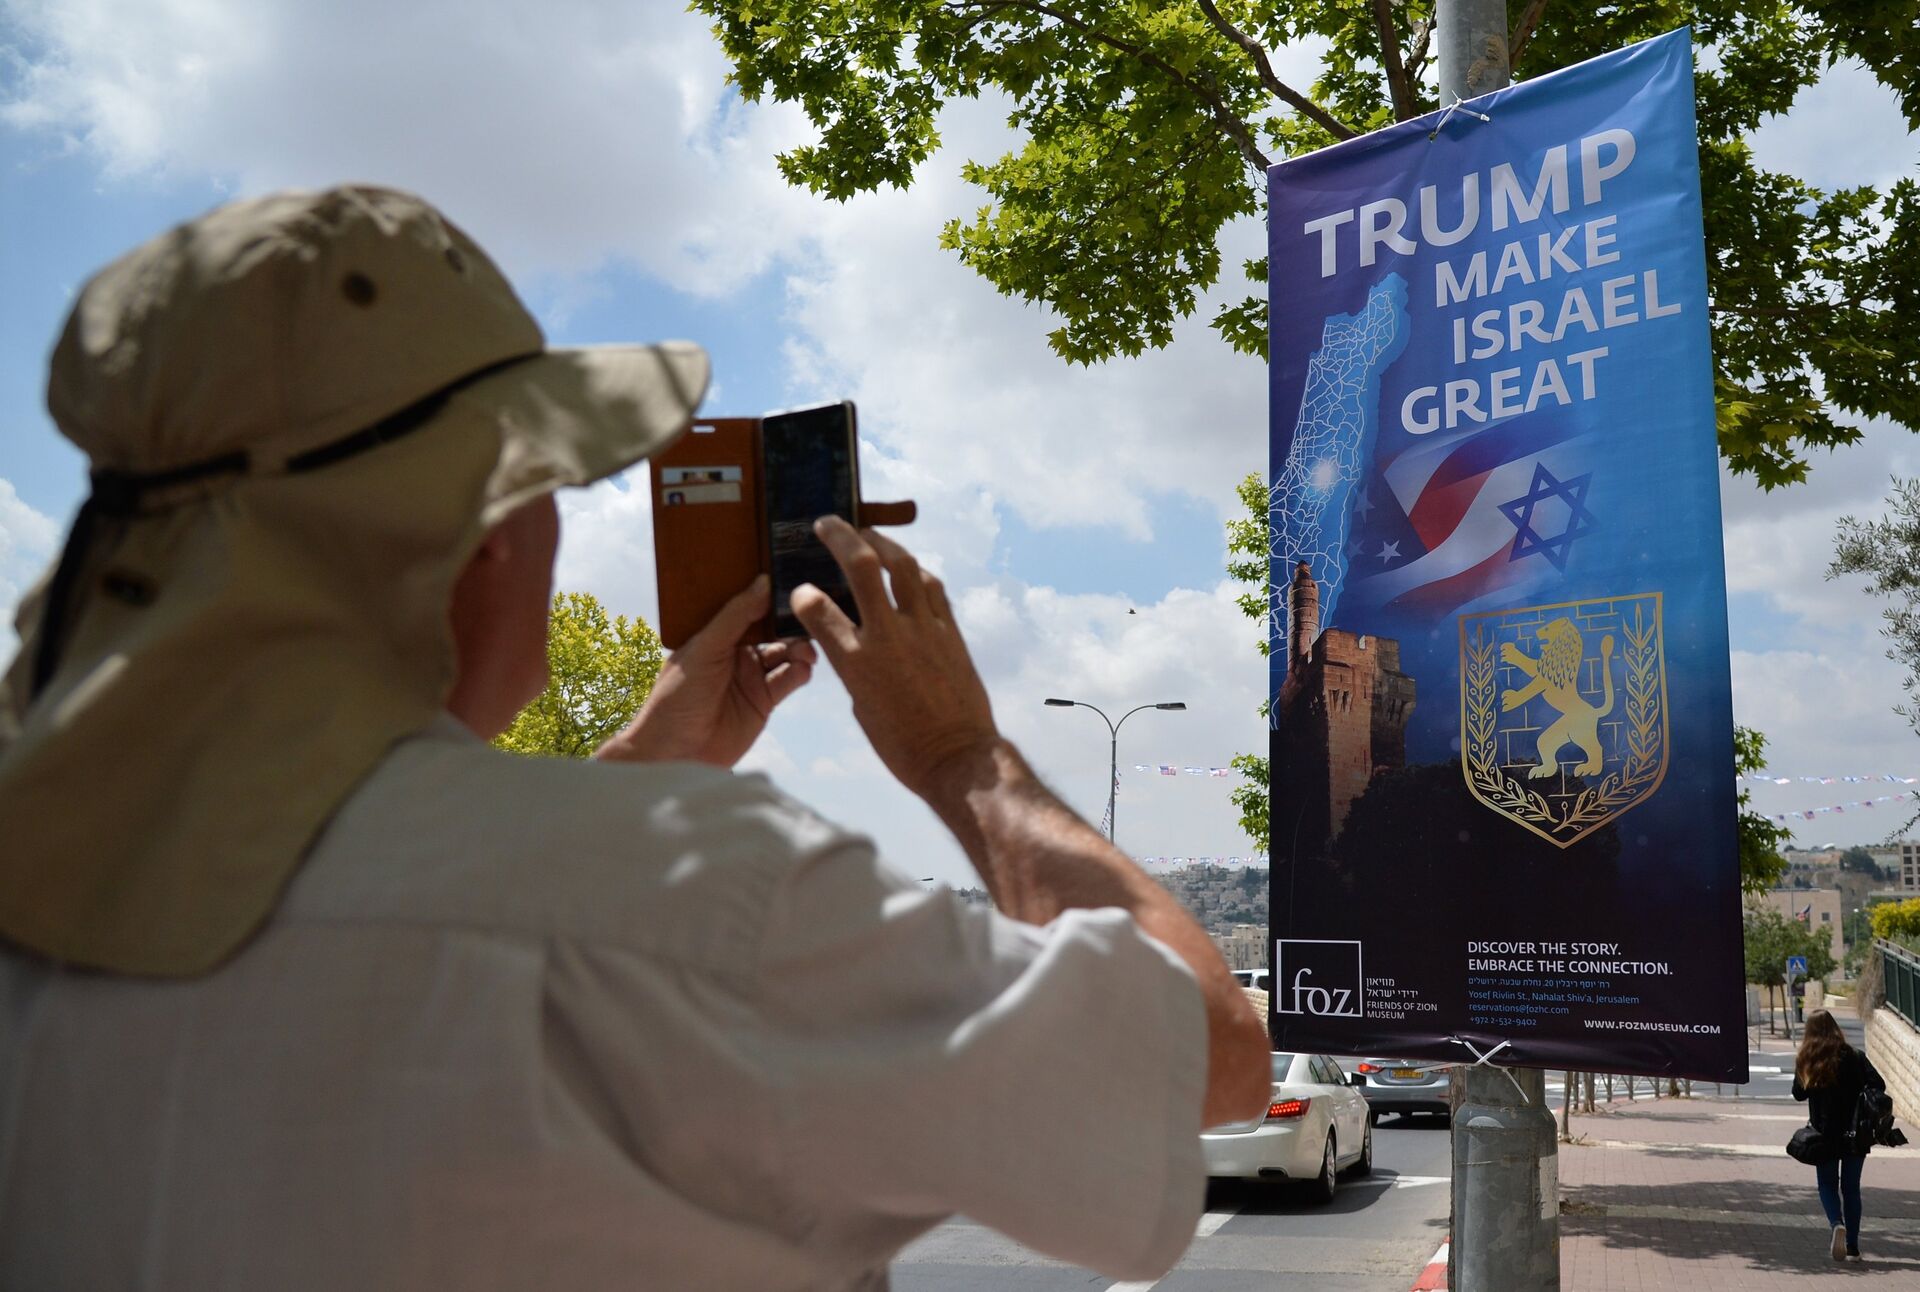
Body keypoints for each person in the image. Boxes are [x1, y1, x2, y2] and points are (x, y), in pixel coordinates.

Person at [0, 186, 1270, 1289]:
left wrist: (638, 768)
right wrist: (960, 757)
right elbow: (1206, 1059)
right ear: (475, 528)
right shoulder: (709, 900)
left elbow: (406, 893)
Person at [1791, 1007, 1886, 1261]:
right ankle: (1853, 1246)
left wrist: (1804, 1068)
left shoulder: (1808, 1059)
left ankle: (1836, 1224)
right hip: (1856, 1134)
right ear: (1835, 1028)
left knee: (1827, 1185)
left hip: (1824, 1135)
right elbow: (1879, 1084)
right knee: (1851, 1189)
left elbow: (1798, 1094)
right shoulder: (1855, 1056)